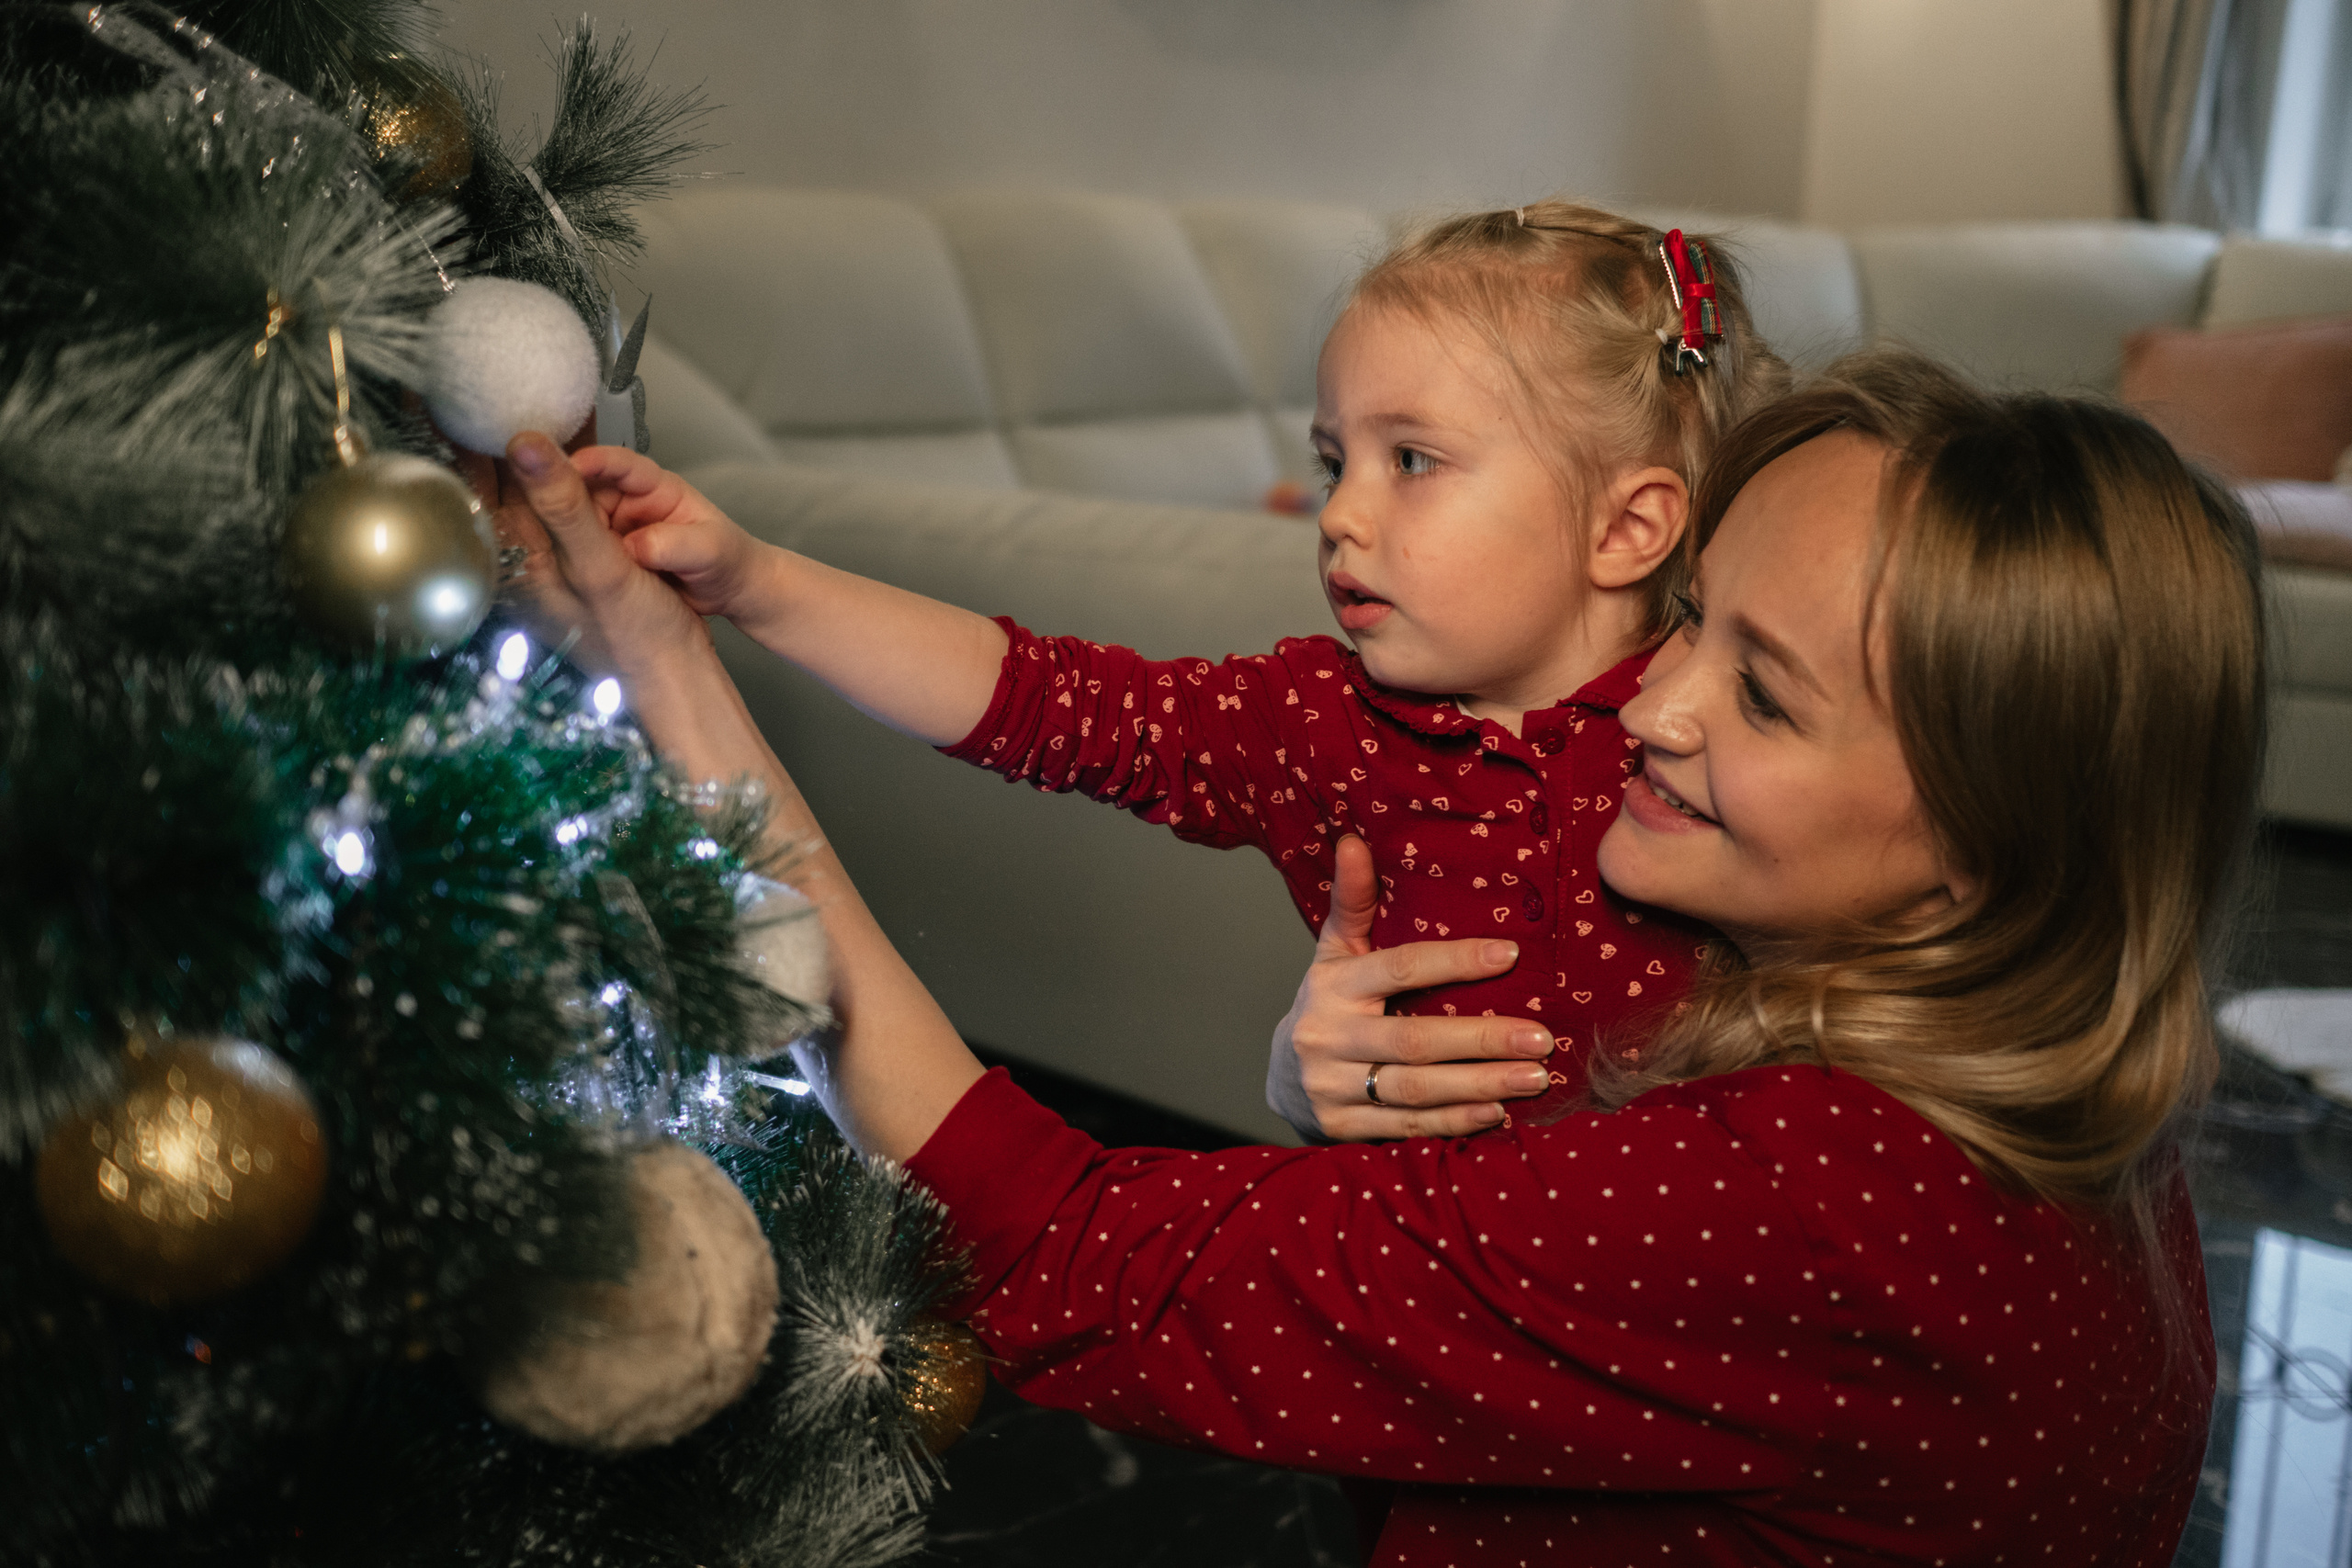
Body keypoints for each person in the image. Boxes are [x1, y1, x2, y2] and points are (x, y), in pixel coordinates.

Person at [490, 347, 2252, 1564]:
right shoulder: (2035, 1048)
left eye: (1766, 695)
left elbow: (1065, 1256)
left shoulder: (1822, 1193)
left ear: (1989, 845)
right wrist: (1333, 1090)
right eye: (1695, 620)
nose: (1651, 700)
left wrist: (669, 671)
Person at [558, 203, 1789, 1138]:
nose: (1340, 515)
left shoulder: (1742, 727)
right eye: (1332, 461)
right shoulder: (1322, 720)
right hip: (1407, 1331)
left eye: (1412, 460)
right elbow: (1041, 701)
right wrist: (764, 580)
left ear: (1627, 529)